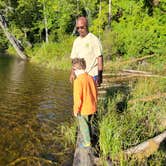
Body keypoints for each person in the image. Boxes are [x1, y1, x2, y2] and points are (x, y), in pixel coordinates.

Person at [70, 16, 103, 86]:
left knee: (91, 96)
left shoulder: (94, 39)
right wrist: (72, 73)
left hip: (92, 75)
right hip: (79, 76)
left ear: (87, 26)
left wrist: (100, 76)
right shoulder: (76, 41)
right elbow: (73, 60)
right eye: (78, 28)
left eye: (82, 27)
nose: (79, 30)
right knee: (79, 96)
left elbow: (99, 58)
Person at [72, 58, 97, 148]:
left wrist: (76, 110)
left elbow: (77, 98)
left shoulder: (78, 81)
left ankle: (87, 142)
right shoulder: (90, 77)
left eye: (73, 69)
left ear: (76, 69)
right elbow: (95, 92)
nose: (73, 72)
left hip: (83, 109)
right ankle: (90, 138)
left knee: (84, 126)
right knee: (89, 123)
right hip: (92, 106)